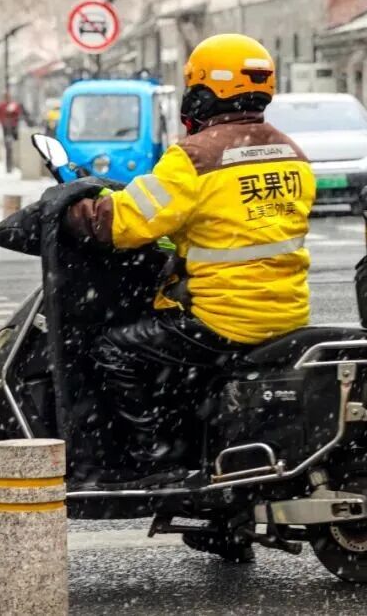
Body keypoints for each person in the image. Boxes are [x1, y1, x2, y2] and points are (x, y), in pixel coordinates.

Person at [64, 33, 316, 480]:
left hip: (226, 317)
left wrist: (71, 213)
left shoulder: (196, 157)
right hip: (287, 313)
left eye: (193, 87)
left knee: (113, 350)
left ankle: (155, 461)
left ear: (205, 92)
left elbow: (125, 223)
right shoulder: (292, 153)